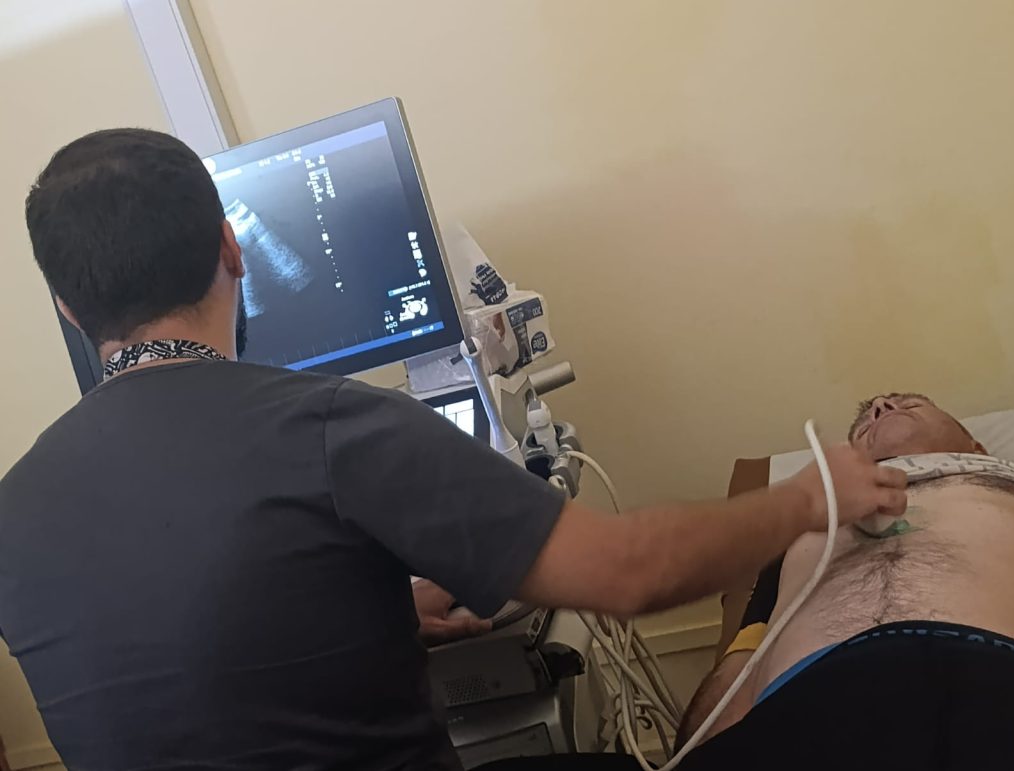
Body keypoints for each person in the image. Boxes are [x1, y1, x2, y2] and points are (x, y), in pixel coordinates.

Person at [0, 128, 905, 771]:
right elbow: (628, 572)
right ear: (233, 249)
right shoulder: (328, 426)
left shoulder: (14, 505)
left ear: (68, 309)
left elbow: (172, 669)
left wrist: (355, 608)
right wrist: (809, 496)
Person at [676, 393, 1014, 769]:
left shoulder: (1011, 484)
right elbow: (747, 652)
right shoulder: (804, 520)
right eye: (864, 423)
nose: (881, 406)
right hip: (805, 701)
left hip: (998, 676)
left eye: (910, 403)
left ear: (977, 447)